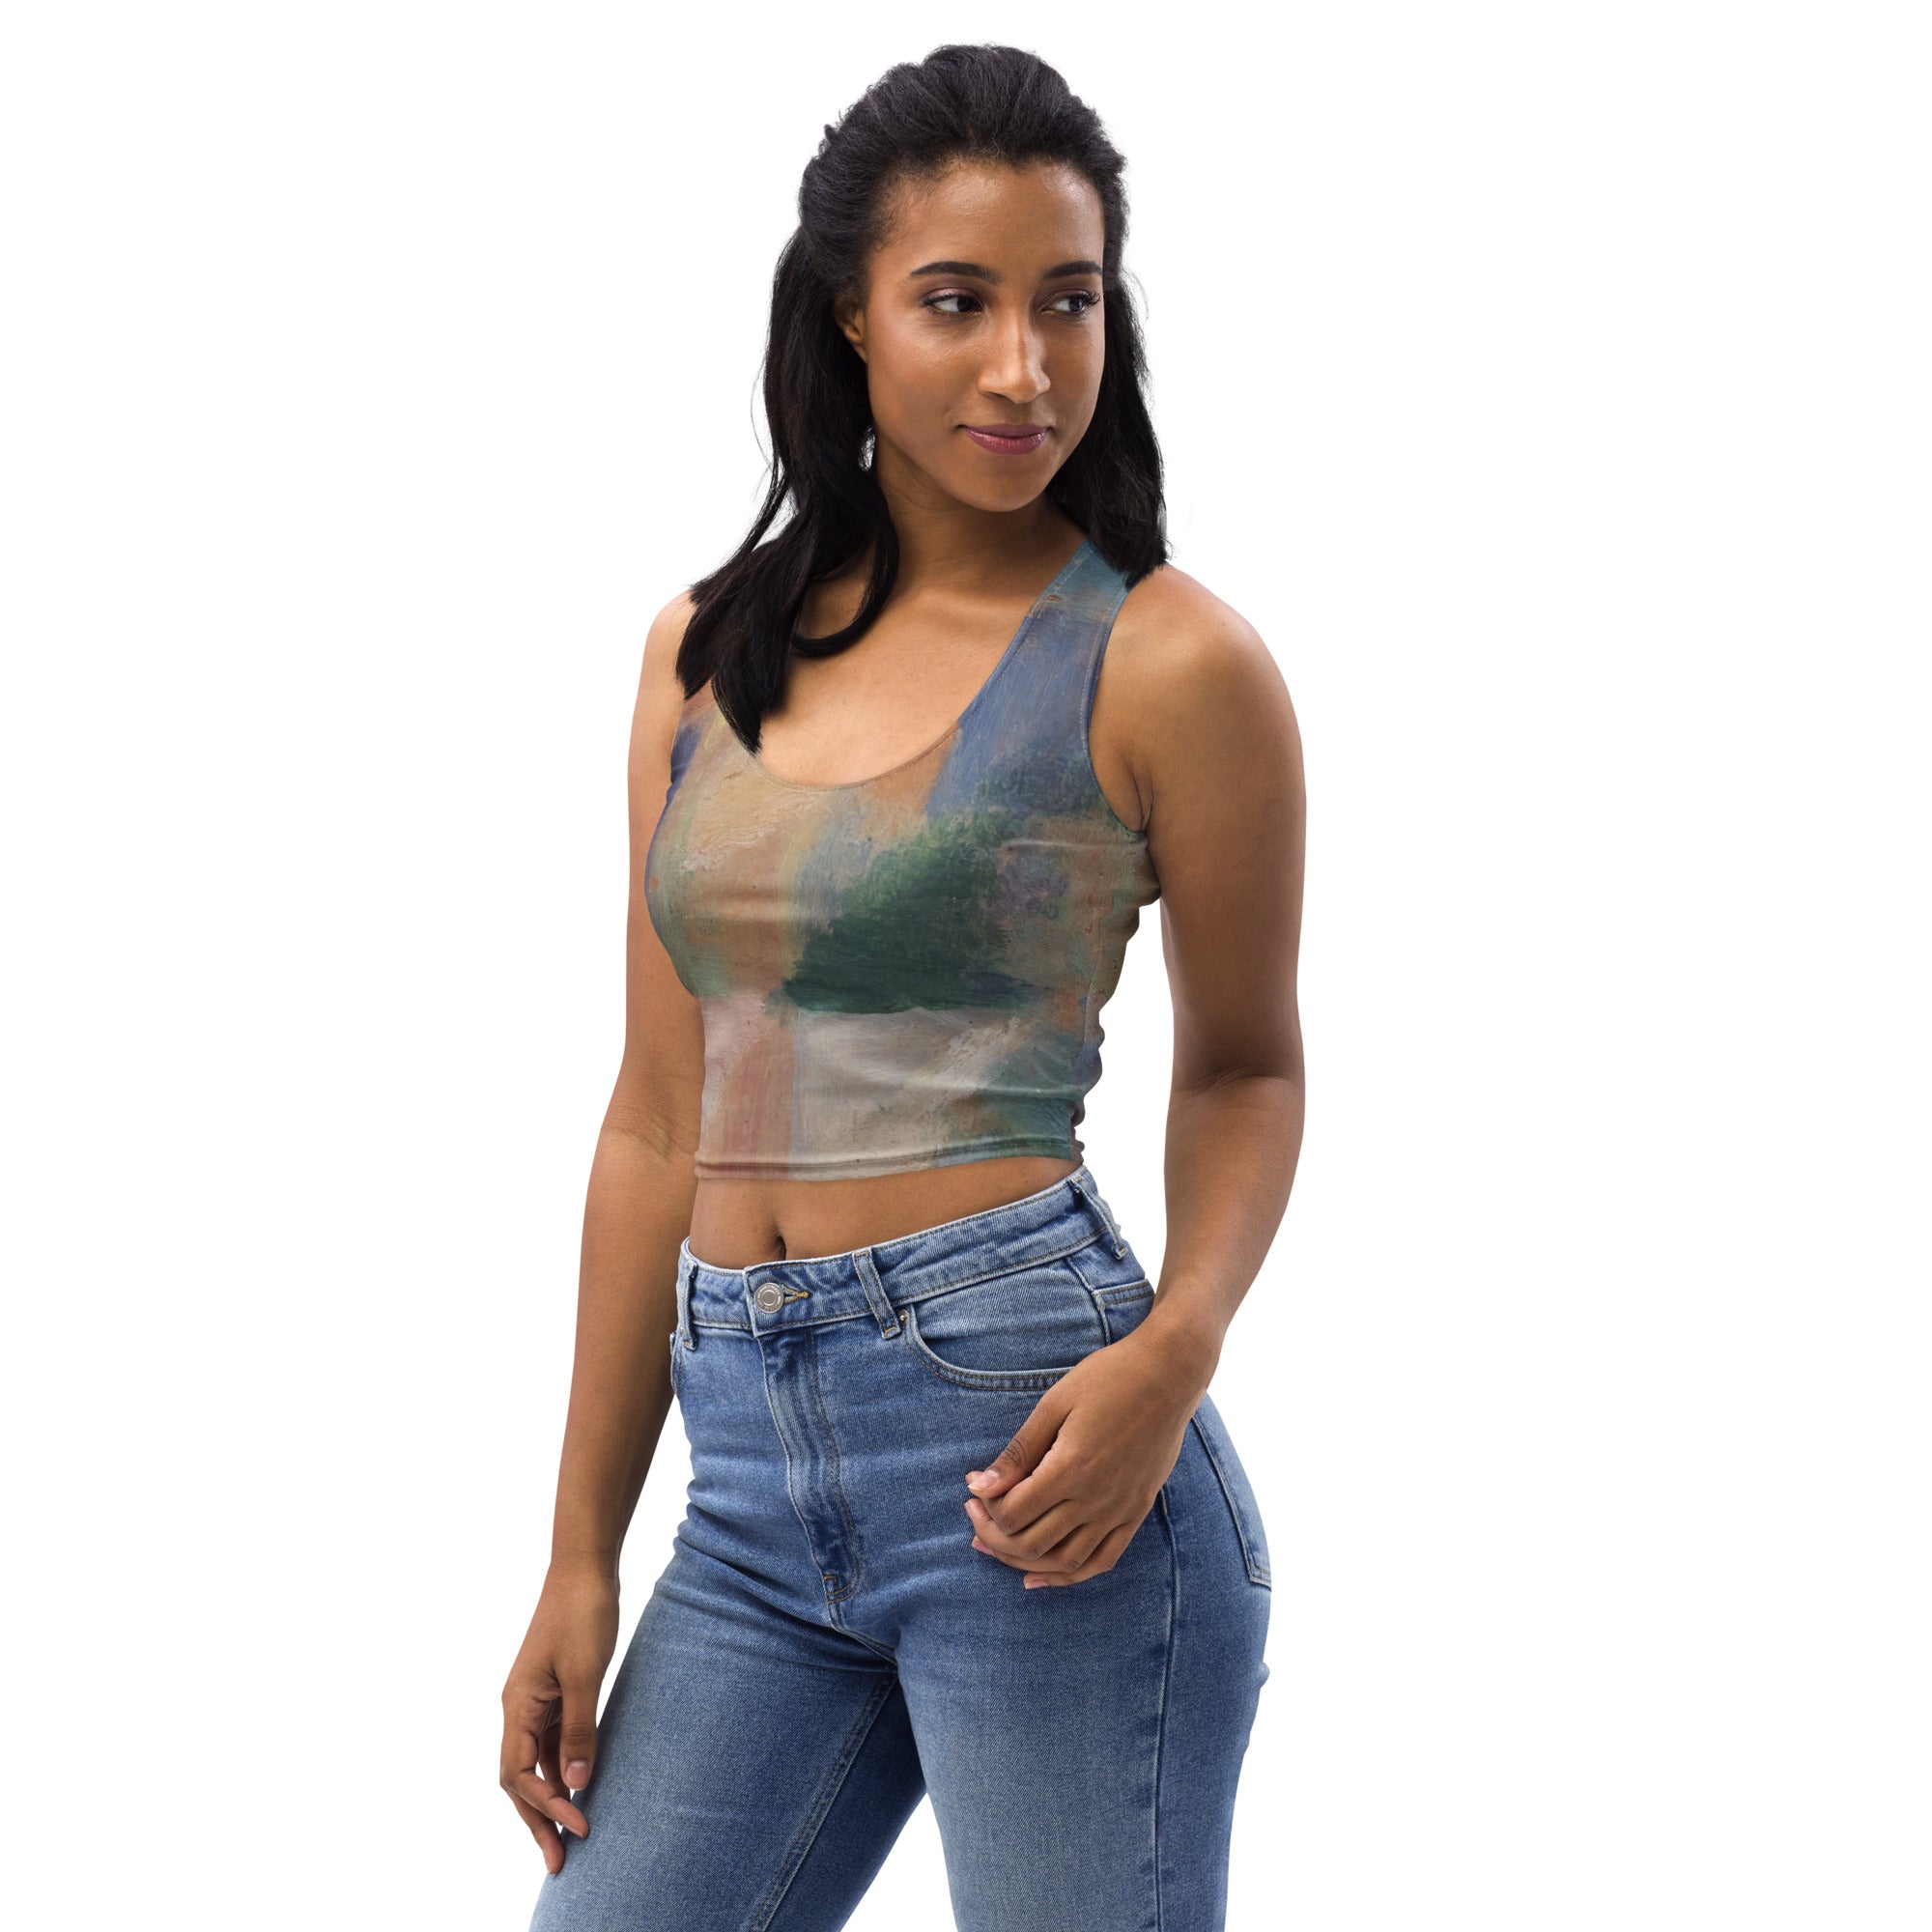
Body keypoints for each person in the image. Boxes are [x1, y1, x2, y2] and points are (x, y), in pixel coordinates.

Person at [501, 43, 1305, 1932]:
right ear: (850, 317)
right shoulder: (703, 654)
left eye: (1067, 302)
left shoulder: (1170, 662)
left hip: (1040, 1450)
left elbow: (1246, 1067)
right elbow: (654, 1119)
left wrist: (1175, 1353)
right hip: (748, 1490)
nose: (1024, 367)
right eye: (958, 303)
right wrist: (577, 1551)